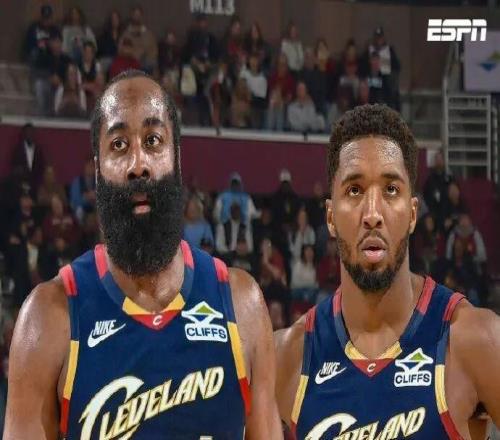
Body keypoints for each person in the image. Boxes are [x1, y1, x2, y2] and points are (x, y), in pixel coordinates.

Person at [4, 70, 282, 439]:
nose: (138, 164)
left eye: (153, 141)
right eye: (119, 145)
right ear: (98, 170)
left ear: (176, 158)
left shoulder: (240, 305)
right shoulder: (48, 319)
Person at [275, 104, 500, 439]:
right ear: (331, 217)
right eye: (354, 190)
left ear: (412, 214)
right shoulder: (287, 358)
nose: (372, 214)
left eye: (391, 189)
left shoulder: (476, 339)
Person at [119, 6, 157, 74]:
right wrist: (132, 54)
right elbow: (121, 49)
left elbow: (153, 52)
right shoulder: (126, 33)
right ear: (132, 16)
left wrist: (143, 54)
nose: (137, 17)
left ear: (142, 16)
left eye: (139, 15)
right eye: (135, 15)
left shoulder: (148, 34)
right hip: (129, 63)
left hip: (145, 65)